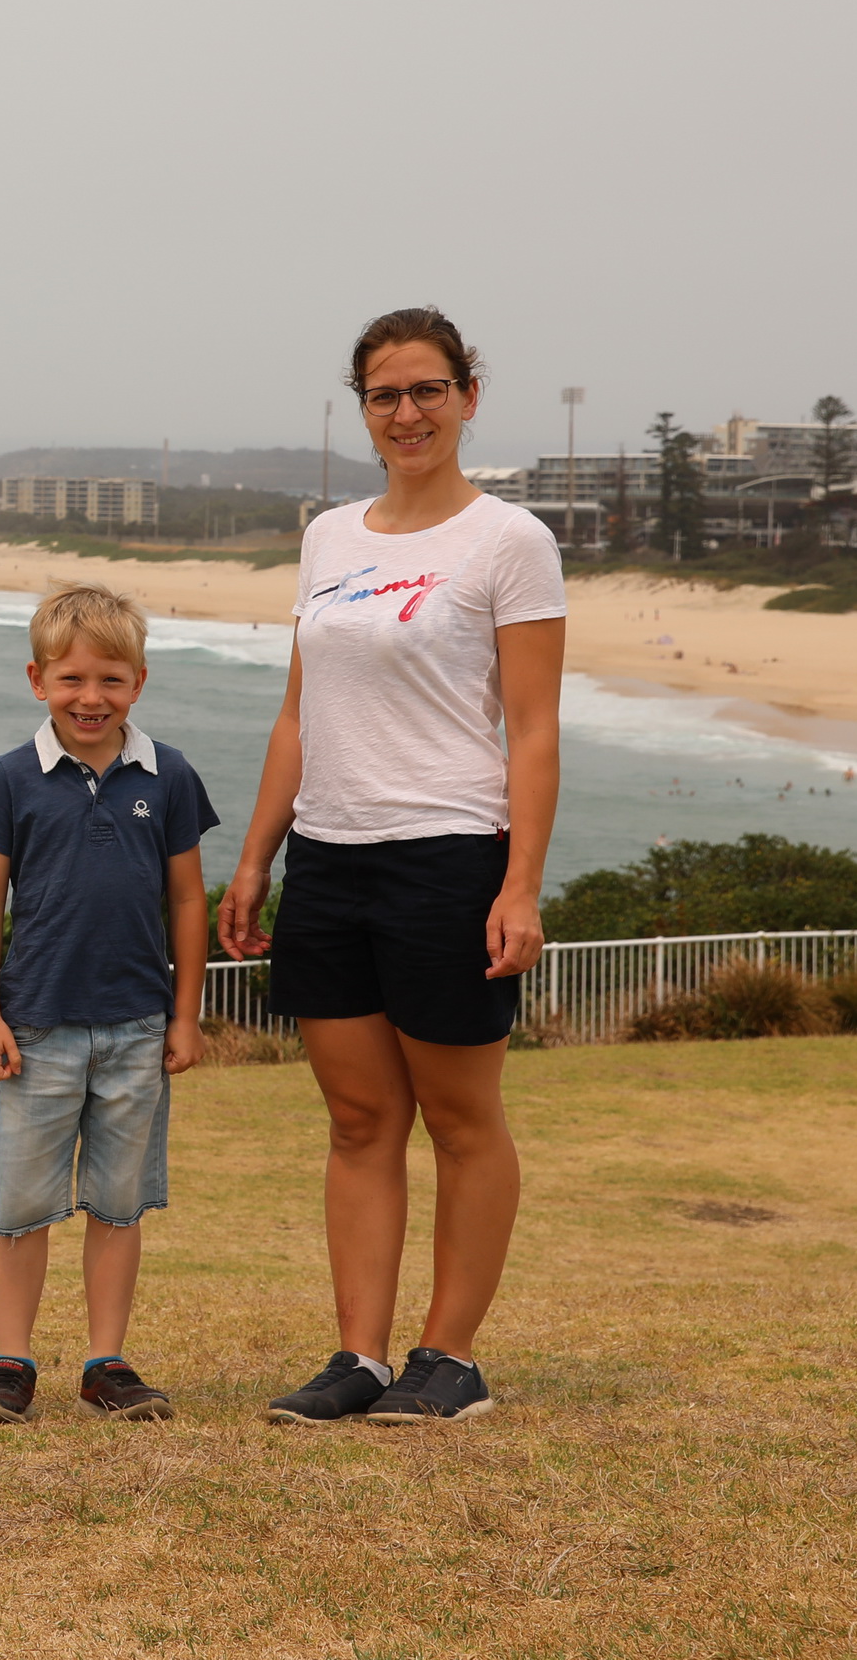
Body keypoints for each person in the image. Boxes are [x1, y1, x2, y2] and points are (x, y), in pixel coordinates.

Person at [217, 306, 566, 1426]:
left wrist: (520, 884)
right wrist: (258, 856)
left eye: (427, 389)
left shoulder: (509, 540)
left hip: (449, 857)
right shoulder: (330, 537)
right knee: (359, 1119)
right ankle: (360, 1356)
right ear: (363, 408)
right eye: (385, 394)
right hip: (331, 857)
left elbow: (535, 728)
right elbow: (296, 713)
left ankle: (449, 1355)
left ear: (468, 395)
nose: (406, 413)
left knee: (463, 1118)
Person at [0, 584, 217, 1425]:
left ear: (138, 681)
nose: (90, 697)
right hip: (36, 1026)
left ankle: (107, 1363)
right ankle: (10, 1363)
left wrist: (185, 1014)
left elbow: (186, 901)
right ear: (38, 680)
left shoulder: (168, 775)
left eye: (110, 679)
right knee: (23, 1205)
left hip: (139, 1025)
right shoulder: (10, 780)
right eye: (71, 680)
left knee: (117, 1201)